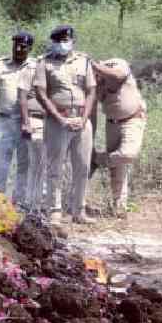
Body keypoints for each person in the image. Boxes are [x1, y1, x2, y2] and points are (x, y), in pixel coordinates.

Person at [33, 25, 96, 225]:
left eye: (66, 40)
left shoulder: (84, 61)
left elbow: (91, 91)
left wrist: (84, 119)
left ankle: (79, 210)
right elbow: (41, 93)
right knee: (55, 168)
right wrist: (60, 119)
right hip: (57, 121)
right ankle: (55, 211)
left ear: (73, 41)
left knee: (83, 167)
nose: (63, 44)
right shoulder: (44, 62)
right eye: (59, 41)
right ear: (53, 42)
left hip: (81, 121)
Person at [0, 31, 44, 208]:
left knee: (24, 163)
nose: (18, 49)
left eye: (23, 46)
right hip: (4, 121)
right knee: (1, 162)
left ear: (30, 48)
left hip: (27, 123)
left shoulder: (37, 66)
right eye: (15, 45)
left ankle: (19, 201)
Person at [92, 58, 145, 215]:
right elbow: (92, 107)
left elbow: (119, 75)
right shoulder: (96, 80)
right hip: (112, 122)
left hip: (132, 119)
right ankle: (119, 206)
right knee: (117, 168)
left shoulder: (115, 64)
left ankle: (97, 160)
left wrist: (97, 67)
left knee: (128, 154)